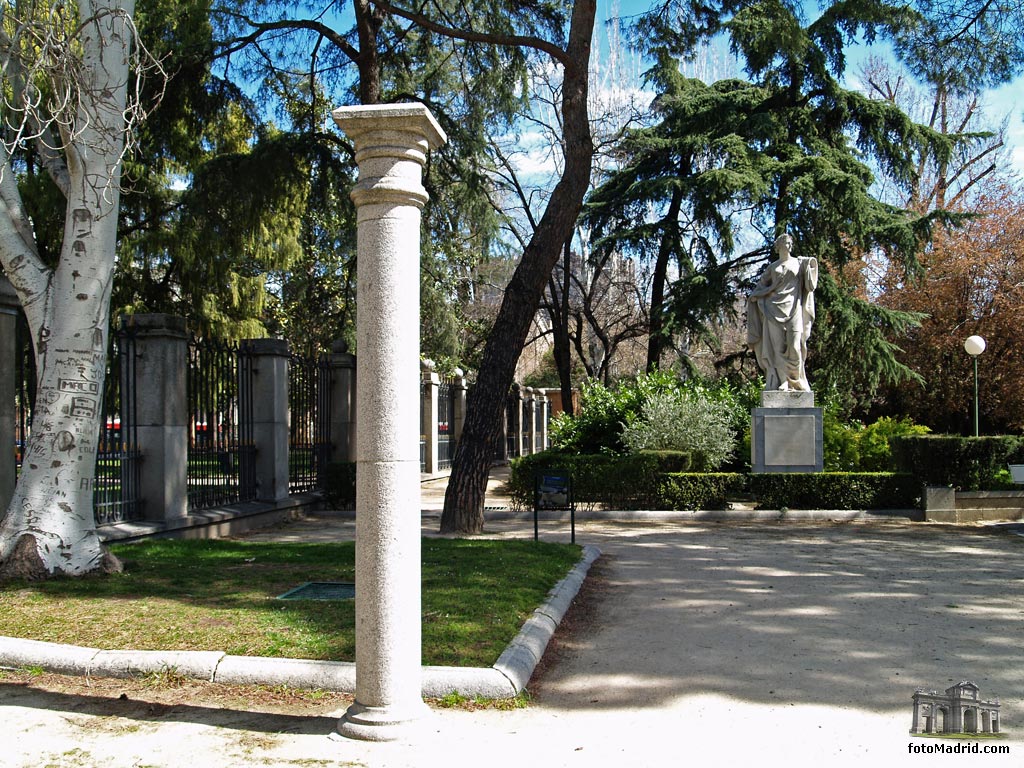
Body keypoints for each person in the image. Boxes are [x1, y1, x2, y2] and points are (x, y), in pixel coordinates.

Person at [746, 233, 818, 391]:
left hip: (794, 309)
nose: (789, 245)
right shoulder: (773, 267)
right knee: (777, 347)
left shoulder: (799, 263)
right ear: (778, 246)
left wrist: (811, 265)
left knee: (795, 345)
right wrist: (755, 297)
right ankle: (783, 381)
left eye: (790, 242)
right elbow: (761, 286)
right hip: (773, 309)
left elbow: (811, 284)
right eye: (786, 242)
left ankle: (796, 379)